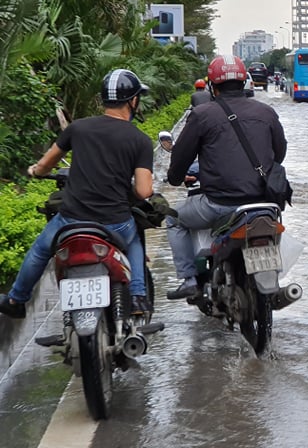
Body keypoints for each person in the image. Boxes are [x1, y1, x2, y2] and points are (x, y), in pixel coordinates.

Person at [0, 69, 154, 319]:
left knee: (40, 250)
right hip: (116, 222)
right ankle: (137, 296)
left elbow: (45, 164)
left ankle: (17, 300)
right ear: (133, 101)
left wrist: (35, 171)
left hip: (71, 219)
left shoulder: (78, 128)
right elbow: (144, 191)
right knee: (134, 240)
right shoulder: (140, 140)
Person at [165, 55, 288, 300]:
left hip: (219, 205)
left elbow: (181, 158)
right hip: (263, 205)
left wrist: (176, 178)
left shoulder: (202, 115)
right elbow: (279, 154)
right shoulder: (266, 112)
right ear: (244, 81)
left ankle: (189, 279)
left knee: (173, 220)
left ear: (212, 85)